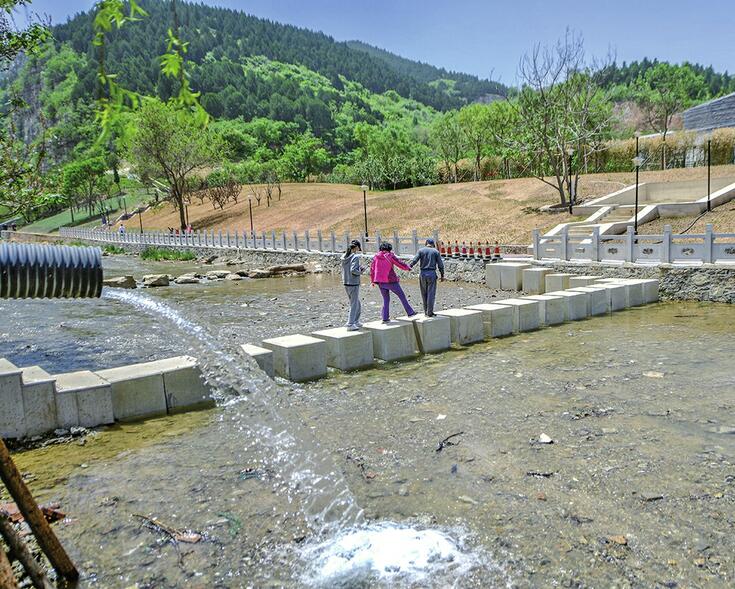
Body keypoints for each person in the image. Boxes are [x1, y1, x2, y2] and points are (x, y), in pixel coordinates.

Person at [371, 242, 416, 323]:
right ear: (389, 249)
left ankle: (385, 318)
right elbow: (399, 263)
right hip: (390, 281)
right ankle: (410, 312)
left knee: (385, 299)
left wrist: (373, 281)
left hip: (380, 282)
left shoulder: (376, 257)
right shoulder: (390, 255)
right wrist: (408, 268)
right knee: (402, 296)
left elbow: (372, 269)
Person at [409, 238, 445, 317]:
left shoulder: (421, 251)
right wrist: (442, 275)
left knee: (424, 293)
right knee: (431, 294)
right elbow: (440, 265)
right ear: (433, 244)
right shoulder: (436, 252)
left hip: (422, 274)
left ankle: (425, 311)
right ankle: (430, 312)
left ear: (426, 243)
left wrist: (409, 266)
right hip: (432, 274)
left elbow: (415, 260)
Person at [341, 239, 364, 330]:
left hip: (346, 282)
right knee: (354, 304)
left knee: (357, 303)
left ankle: (356, 321)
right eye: (358, 248)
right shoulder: (355, 257)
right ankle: (350, 324)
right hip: (353, 283)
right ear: (356, 247)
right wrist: (361, 271)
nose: (358, 249)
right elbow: (353, 270)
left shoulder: (344, 256)